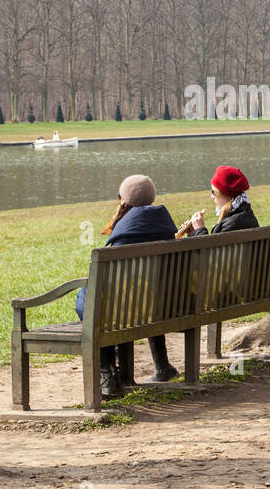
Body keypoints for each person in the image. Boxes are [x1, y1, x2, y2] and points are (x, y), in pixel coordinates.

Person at [74, 174, 181, 397]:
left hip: (124, 313)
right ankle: (162, 365)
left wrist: (82, 299)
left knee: (93, 304)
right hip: (162, 307)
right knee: (142, 298)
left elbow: (98, 295)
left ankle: (107, 376)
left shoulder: (124, 237)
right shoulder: (166, 229)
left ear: (122, 199)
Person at [179, 165, 259, 237]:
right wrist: (194, 232)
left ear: (228, 196)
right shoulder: (246, 215)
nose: (211, 196)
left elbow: (211, 252)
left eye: (213, 192)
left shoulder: (231, 224)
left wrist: (200, 230)